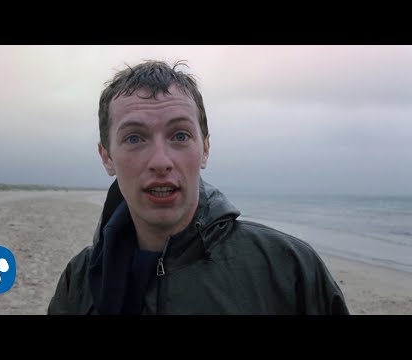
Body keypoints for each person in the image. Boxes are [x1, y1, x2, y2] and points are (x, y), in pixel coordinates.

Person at [47, 60, 349, 315]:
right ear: (107, 157)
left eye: (179, 136)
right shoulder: (81, 280)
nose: (161, 161)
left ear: (204, 150)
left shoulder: (287, 268)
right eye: (135, 138)